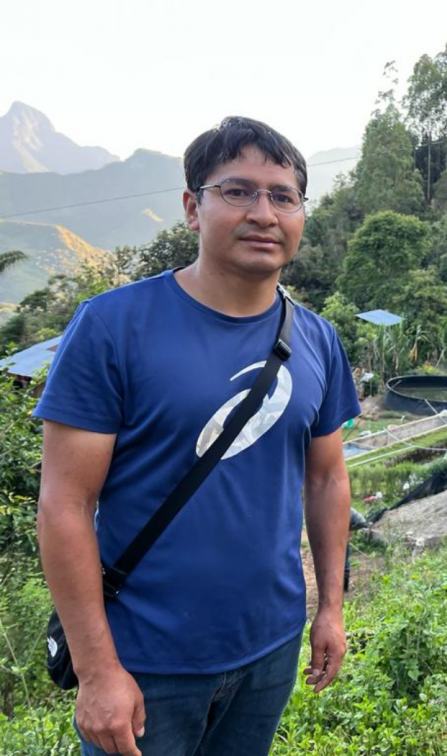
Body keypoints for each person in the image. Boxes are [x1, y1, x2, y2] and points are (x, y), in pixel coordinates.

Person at [34, 116, 360, 756]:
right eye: (237, 191)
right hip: (145, 659)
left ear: (299, 214)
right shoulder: (112, 326)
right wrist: (98, 672)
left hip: (269, 647)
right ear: (192, 207)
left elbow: (327, 478)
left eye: (283, 196)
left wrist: (330, 608)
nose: (264, 213)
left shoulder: (318, 338)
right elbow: (64, 505)